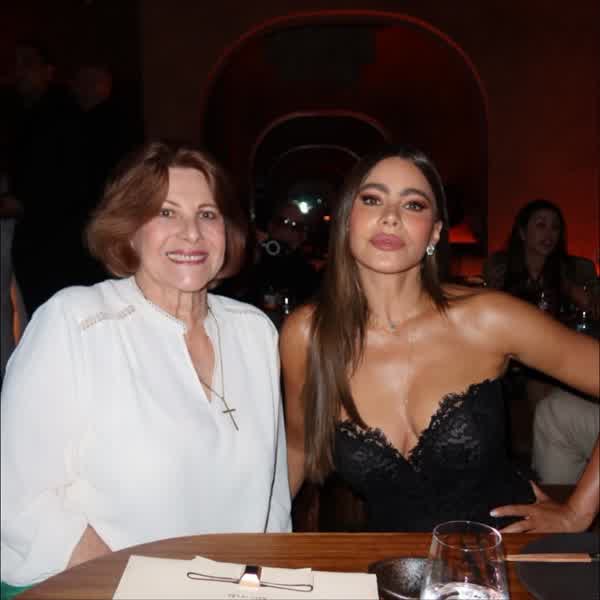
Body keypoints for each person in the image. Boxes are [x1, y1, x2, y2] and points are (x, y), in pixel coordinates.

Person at [0, 141, 291, 589]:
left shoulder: (255, 333)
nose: (191, 233)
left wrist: (265, 585)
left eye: (208, 214)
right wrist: (141, 586)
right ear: (130, 229)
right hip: (89, 586)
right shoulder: (75, 321)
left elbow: (273, 506)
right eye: (166, 213)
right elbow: (17, 497)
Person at [280, 146, 599, 533]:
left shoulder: (488, 318)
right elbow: (296, 449)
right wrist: (253, 542)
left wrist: (578, 512)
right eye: (372, 199)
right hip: (390, 559)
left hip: (504, 550)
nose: (391, 217)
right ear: (347, 219)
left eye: (413, 205)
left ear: (433, 232)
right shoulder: (307, 335)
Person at [483, 198, 596, 317]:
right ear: (522, 232)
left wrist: (570, 289)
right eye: (541, 225)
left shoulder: (577, 270)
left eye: (555, 227)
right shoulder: (500, 267)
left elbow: (590, 310)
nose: (549, 234)